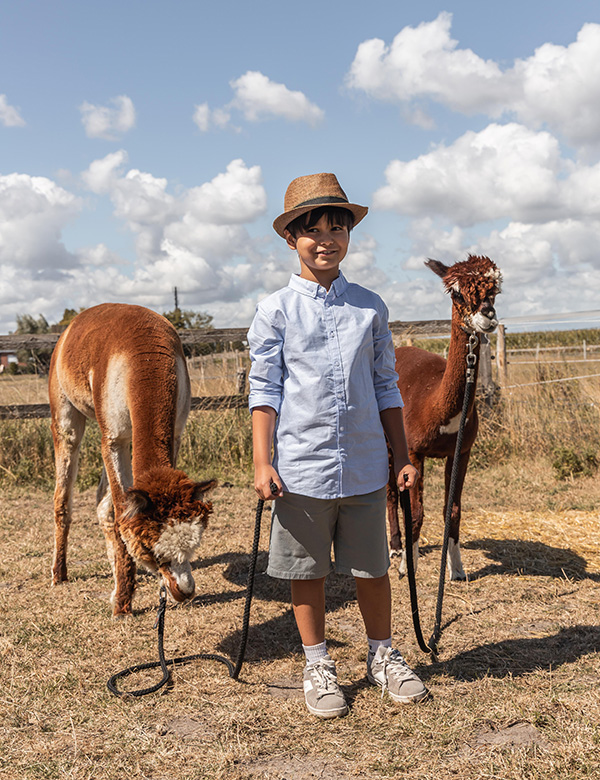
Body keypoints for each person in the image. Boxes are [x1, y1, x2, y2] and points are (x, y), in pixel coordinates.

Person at [248, 173, 428, 719]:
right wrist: (263, 461)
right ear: (290, 240)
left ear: (349, 234)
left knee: (373, 565)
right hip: (300, 467)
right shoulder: (275, 310)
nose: (326, 239)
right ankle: (317, 661)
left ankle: (382, 655)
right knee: (308, 571)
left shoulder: (370, 308)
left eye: (337, 227)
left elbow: (385, 386)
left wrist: (403, 455)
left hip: (368, 463)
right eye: (312, 231)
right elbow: (266, 391)